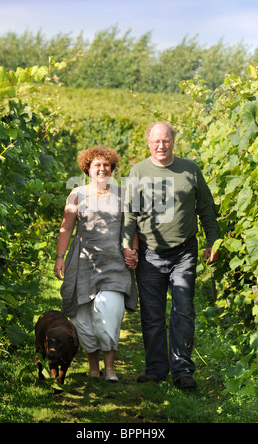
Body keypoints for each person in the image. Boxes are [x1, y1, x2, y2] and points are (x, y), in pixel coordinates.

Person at [121, 122, 219, 390]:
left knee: (183, 310)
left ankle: (182, 371)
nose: (161, 146)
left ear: (174, 141)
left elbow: (206, 208)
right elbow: (130, 214)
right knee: (152, 315)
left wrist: (213, 240)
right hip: (150, 253)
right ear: (148, 143)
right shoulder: (138, 171)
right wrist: (126, 245)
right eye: (156, 141)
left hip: (184, 251)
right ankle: (155, 369)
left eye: (166, 140)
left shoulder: (190, 169)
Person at [54, 145, 138, 381]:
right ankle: (93, 368)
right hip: (83, 261)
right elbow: (67, 227)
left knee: (108, 313)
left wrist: (133, 252)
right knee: (83, 316)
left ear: (112, 168)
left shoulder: (123, 194)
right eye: (97, 165)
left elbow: (130, 228)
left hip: (114, 262)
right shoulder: (76, 194)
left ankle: (109, 367)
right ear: (88, 169)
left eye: (106, 165)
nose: (102, 169)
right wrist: (60, 257)